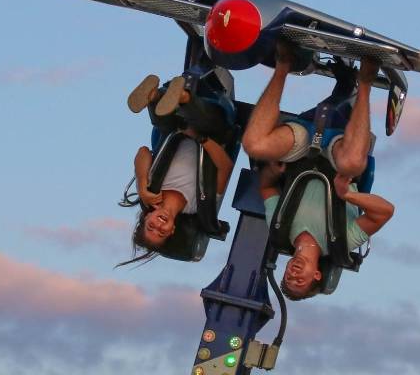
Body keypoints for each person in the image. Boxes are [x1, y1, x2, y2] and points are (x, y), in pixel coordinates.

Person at [242, 43, 394, 300]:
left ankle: (283, 64)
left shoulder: (280, 231)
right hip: (338, 156)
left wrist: (272, 172)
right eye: (300, 280)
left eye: (288, 276)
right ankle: (365, 81)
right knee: (353, 164)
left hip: (302, 149)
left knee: (253, 145)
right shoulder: (341, 241)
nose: (294, 273)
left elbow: (266, 187)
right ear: (316, 275)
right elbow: (384, 212)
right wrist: (348, 195)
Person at [129, 74, 234, 251]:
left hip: (173, 125)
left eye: (151, 226)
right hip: (211, 132)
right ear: (172, 230)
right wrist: (201, 139)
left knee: (164, 122)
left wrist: (141, 184)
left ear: (147, 217)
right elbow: (225, 167)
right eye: (161, 232)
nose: (159, 226)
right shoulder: (198, 205)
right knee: (205, 122)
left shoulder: (151, 190)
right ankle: (181, 97)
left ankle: (153, 96)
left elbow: (143, 152)